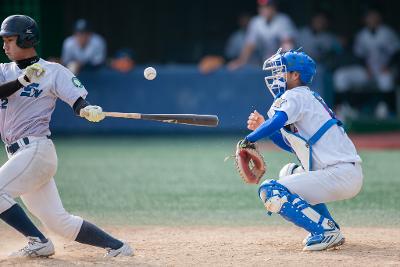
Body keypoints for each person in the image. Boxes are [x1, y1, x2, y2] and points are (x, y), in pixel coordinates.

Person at [0, 15, 132, 258]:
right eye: (4, 40)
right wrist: (23, 80)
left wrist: (86, 110)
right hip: (20, 157)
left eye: (10, 40)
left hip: (37, 151)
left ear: (27, 39)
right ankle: (118, 247)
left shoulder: (53, 71)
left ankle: (38, 241)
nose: (5, 46)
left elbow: (77, 100)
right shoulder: (3, 71)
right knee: (59, 222)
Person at [240, 48, 363, 251]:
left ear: (296, 75)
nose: (277, 76)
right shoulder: (304, 97)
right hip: (343, 173)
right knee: (288, 172)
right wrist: (264, 126)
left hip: (339, 173)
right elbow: (293, 147)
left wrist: (249, 139)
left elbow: (277, 120)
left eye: (282, 71)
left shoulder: (296, 95)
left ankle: (325, 232)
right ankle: (328, 226)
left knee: (270, 190)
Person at [228, 0, 296, 70]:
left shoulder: (283, 20)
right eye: (261, 7)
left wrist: (277, 57)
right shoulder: (256, 21)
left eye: (267, 6)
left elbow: (287, 43)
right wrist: (241, 61)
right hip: (266, 61)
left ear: (274, 7)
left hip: (286, 61)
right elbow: (250, 45)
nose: (264, 9)